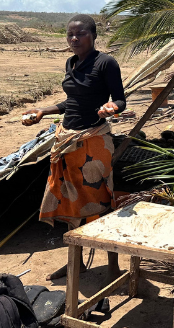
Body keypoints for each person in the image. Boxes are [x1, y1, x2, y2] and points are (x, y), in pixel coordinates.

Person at [22, 14, 125, 282]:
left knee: (100, 202)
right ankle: (75, 264)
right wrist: (43, 111)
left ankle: (113, 266)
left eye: (80, 34)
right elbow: (73, 101)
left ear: (93, 36)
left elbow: (120, 99)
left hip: (93, 142)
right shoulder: (71, 63)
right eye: (70, 34)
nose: (74, 39)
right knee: (69, 202)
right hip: (67, 140)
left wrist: (112, 108)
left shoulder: (106, 63)